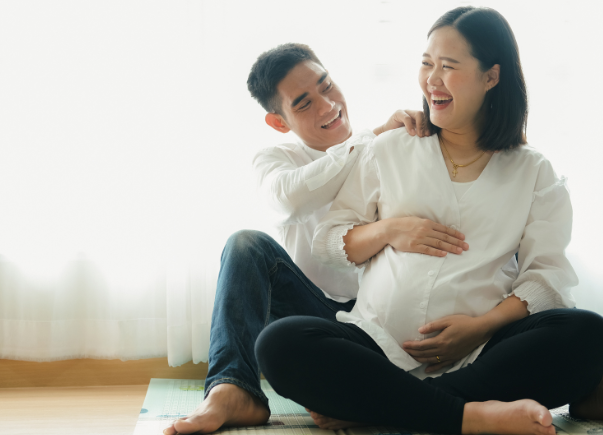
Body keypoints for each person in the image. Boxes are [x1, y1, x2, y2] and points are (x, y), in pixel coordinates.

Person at [255, 7, 603, 435]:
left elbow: (546, 276)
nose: (431, 79)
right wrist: (388, 231)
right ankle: (467, 415)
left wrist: (479, 328)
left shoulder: (533, 172)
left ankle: (389, 404)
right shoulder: (390, 148)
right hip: (376, 343)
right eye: (426, 63)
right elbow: (329, 241)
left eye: (448, 67)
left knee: (589, 332)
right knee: (280, 342)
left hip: (484, 353)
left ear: (491, 77)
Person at [163, 43, 471, 435]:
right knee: (245, 244)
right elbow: (288, 197)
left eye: (327, 86)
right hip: (309, 321)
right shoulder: (281, 159)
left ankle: (364, 400)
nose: (327, 106)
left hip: (377, 322)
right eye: (305, 103)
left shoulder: (389, 148)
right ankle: (231, 390)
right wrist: (370, 138)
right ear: (279, 121)